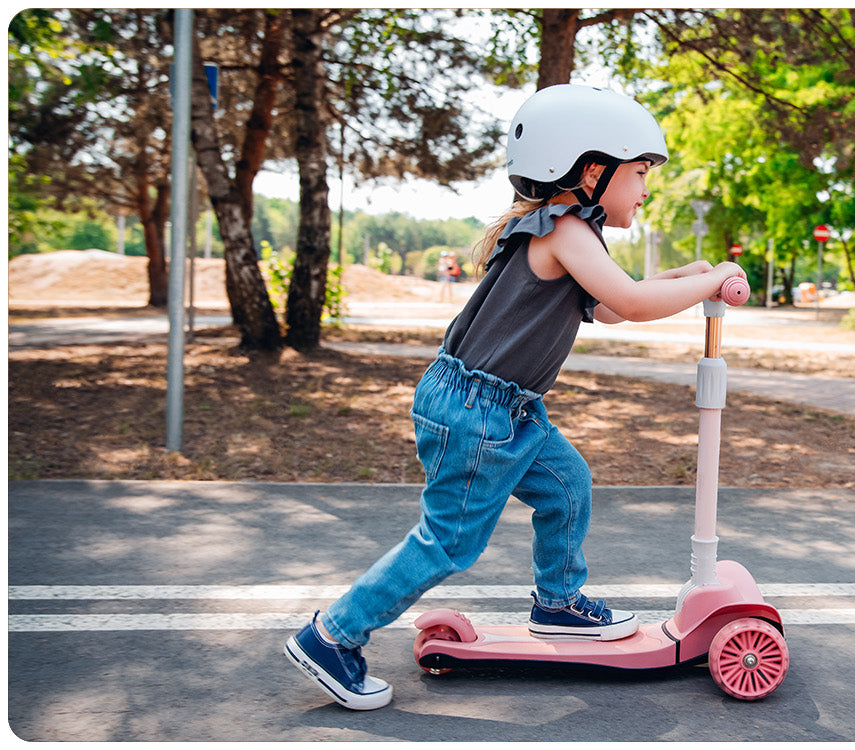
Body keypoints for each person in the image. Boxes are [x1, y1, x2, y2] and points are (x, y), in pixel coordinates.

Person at [284, 84, 745, 711]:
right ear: (590, 170)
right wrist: (714, 280)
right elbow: (634, 306)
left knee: (566, 485)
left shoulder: (569, 230)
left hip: (509, 411)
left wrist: (687, 277)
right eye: (638, 173)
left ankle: (558, 603)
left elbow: (612, 305)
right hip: (477, 414)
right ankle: (332, 636)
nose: (645, 188)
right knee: (448, 542)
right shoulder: (564, 231)